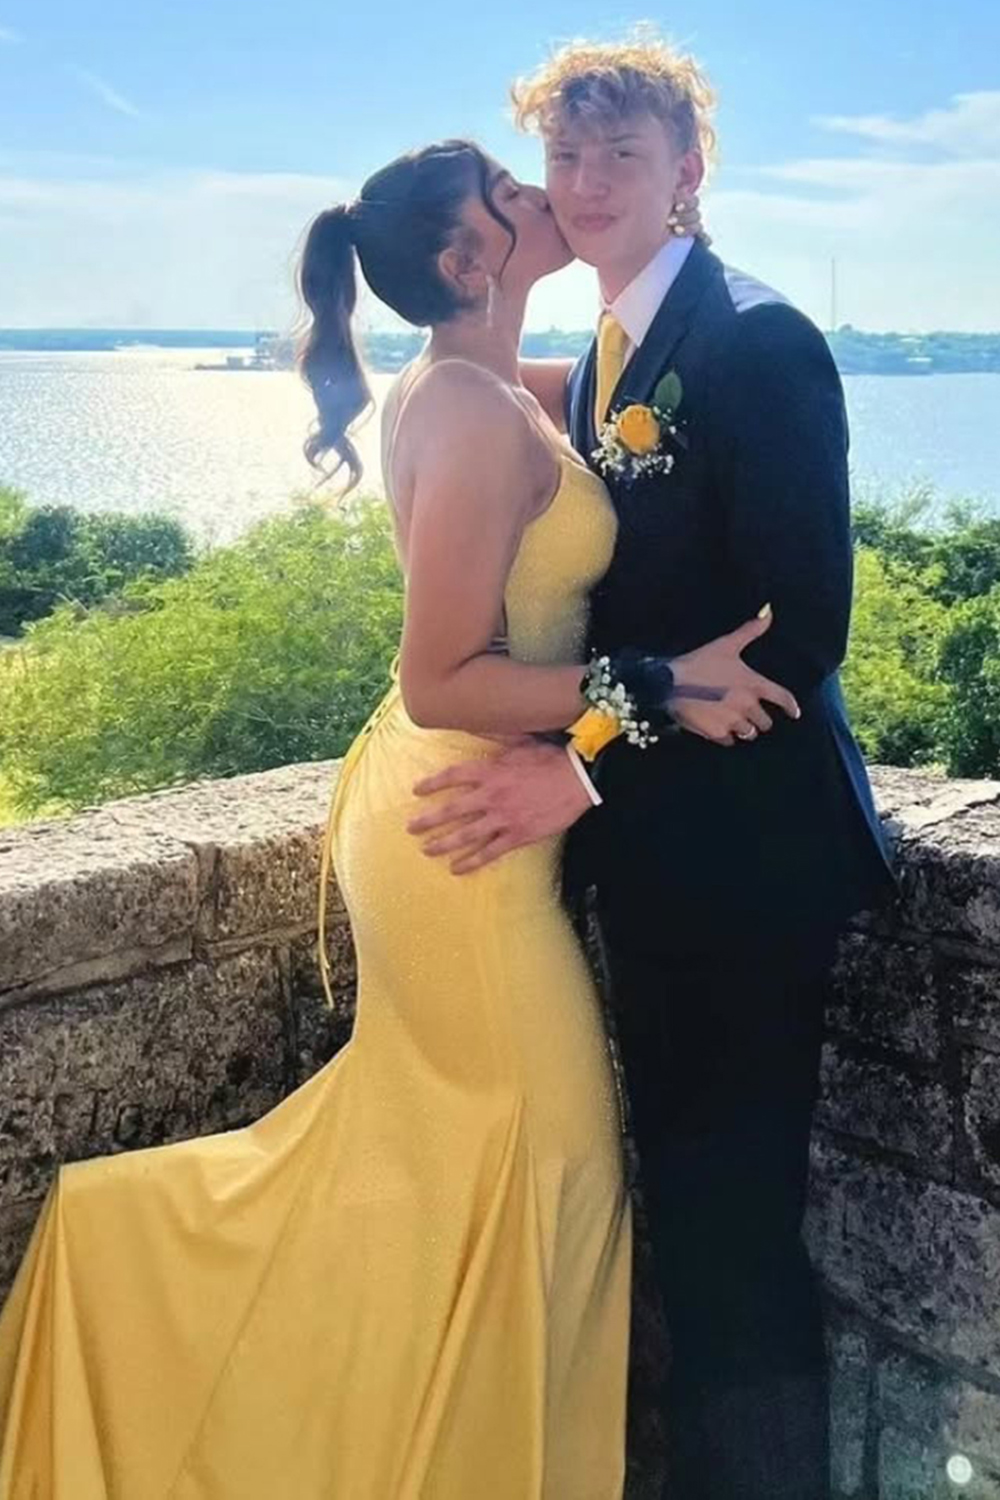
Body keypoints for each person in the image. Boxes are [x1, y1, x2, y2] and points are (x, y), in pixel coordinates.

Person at [0, 139, 798, 1498]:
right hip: (459, 827)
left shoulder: (495, 381)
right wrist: (657, 684)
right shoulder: (472, 411)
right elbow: (442, 675)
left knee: (466, 1158)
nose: (544, 190)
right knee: (548, 1160)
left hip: (463, 807)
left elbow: (646, 386)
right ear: (466, 257)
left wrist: (676, 231)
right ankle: (143, 1281)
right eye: (513, 189)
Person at [409, 39, 896, 1500]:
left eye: (621, 151)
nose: (586, 180)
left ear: (689, 170)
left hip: (749, 861)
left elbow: (796, 634)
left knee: (729, 1225)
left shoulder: (758, 342)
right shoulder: (605, 361)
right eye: (564, 155)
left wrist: (581, 773)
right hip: (657, 863)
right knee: (682, 1204)